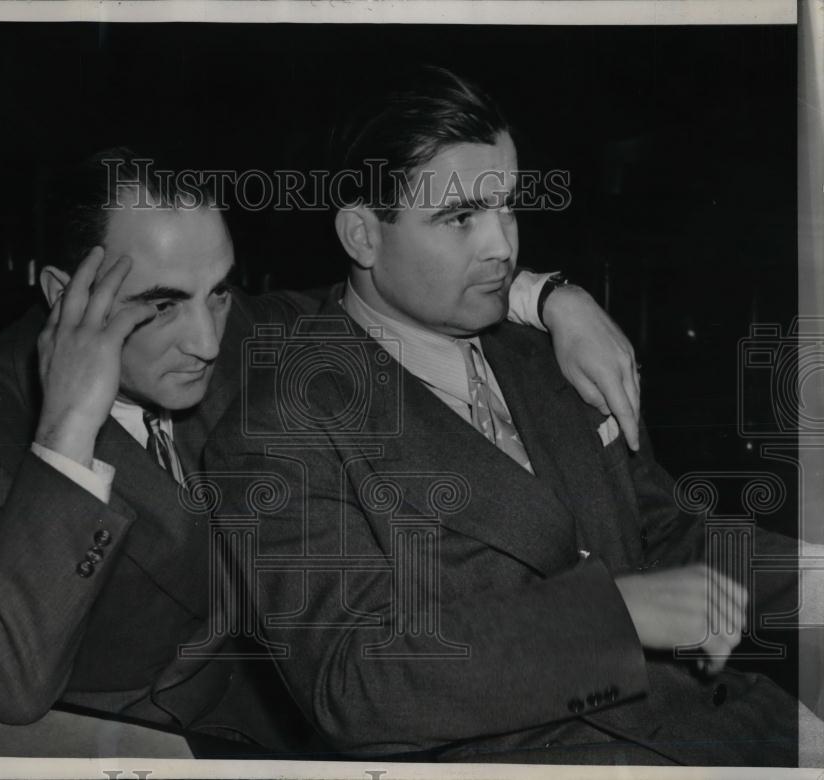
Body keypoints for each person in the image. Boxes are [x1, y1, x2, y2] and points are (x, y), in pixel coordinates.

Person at [0, 144, 643, 751]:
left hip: (301, 720)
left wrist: (551, 298)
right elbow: (2, 684)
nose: (207, 339)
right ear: (62, 293)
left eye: (218, 290)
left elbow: (372, 294)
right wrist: (66, 433)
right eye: (162, 305)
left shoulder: (235, 335)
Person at [202, 67, 821, 764]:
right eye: (461, 217)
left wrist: (812, 579)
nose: (502, 246)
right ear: (362, 236)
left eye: (507, 207)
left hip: (726, 727)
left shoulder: (548, 355)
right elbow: (356, 686)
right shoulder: (283, 427)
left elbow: (665, 535)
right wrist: (612, 619)